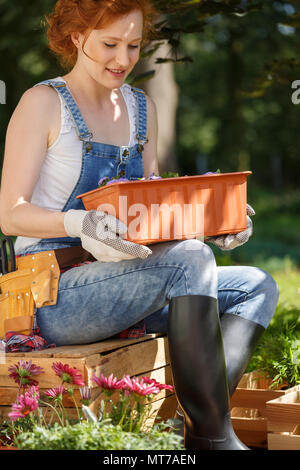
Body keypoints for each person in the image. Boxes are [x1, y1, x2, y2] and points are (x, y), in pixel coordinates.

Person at [0, 0, 279, 450]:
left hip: (130, 277)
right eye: (110, 44)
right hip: (52, 296)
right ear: (76, 38)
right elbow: (9, 214)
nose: (124, 59)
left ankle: (202, 429)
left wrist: (213, 227)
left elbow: (152, 218)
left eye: (133, 45)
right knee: (192, 260)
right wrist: (79, 221)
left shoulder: (140, 108)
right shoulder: (42, 103)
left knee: (257, 285)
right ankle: (215, 439)